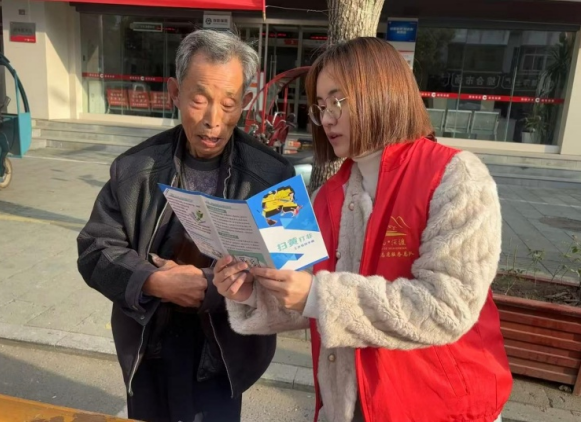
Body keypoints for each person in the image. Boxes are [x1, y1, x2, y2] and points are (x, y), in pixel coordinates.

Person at [213, 37, 513, 422]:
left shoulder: (455, 175)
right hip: (346, 404)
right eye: (320, 107)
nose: (327, 118)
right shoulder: (325, 196)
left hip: (438, 406)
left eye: (337, 101)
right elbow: (304, 295)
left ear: (382, 92)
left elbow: (446, 307)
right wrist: (250, 292)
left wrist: (318, 295)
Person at [77, 30, 295, 422]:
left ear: (245, 102)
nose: (213, 120)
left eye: (228, 103)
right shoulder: (134, 168)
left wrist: (211, 286)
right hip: (149, 343)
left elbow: (289, 268)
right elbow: (96, 248)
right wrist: (151, 281)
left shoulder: (273, 177)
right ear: (175, 92)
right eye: (199, 99)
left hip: (224, 352)